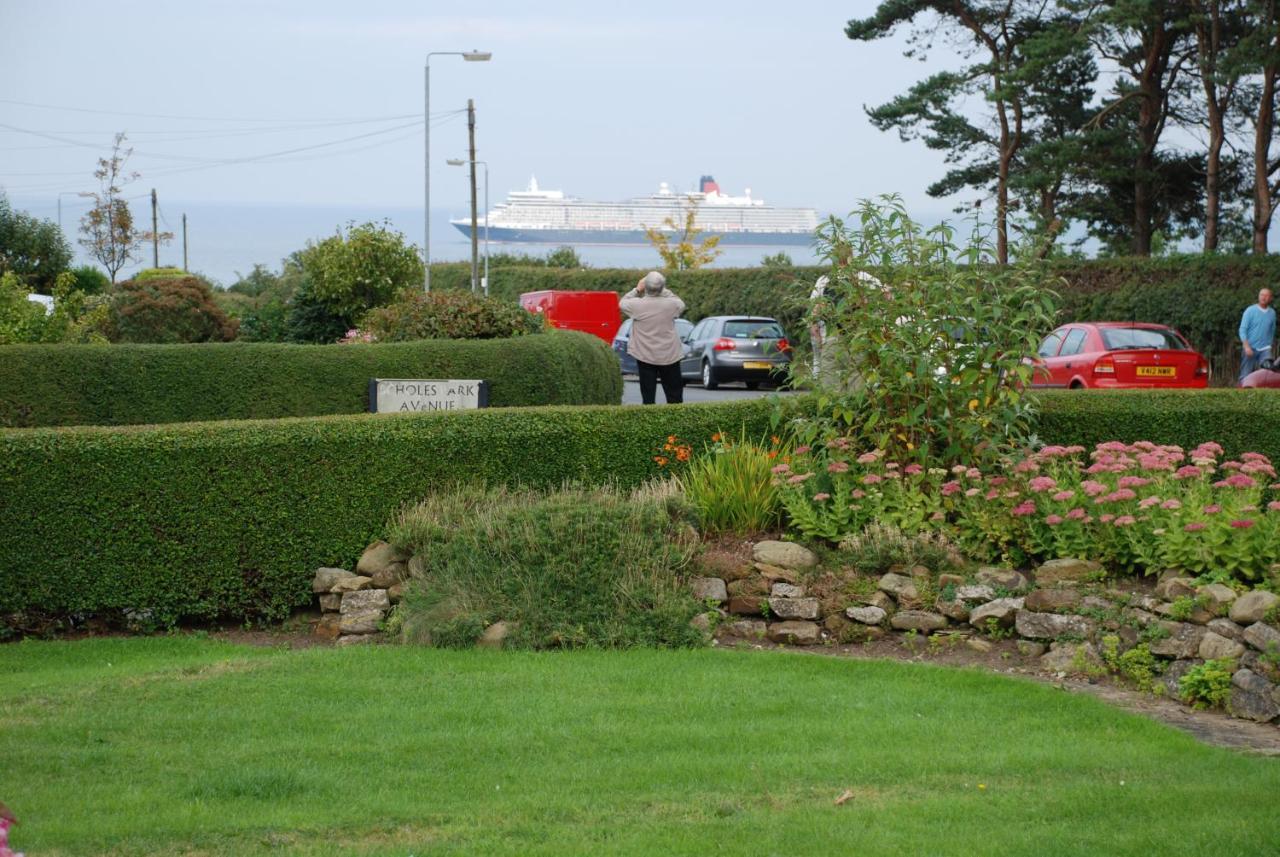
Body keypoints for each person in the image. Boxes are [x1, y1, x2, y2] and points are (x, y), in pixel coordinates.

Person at [620, 271, 685, 404]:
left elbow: (622, 302)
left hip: (645, 355)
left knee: (648, 397)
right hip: (669, 355)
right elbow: (680, 302)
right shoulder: (671, 304)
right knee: (675, 396)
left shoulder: (636, 305)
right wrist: (661, 288)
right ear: (662, 287)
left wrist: (638, 289)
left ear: (646, 287)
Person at [1238, 287, 1275, 384]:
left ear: (1270, 298)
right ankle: (1241, 393)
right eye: (1262, 295)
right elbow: (1242, 330)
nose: (1264, 297)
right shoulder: (1250, 311)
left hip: (1265, 349)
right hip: (1250, 347)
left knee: (1269, 370)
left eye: (1266, 295)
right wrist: (1246, 347)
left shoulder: (1272, 313)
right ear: (1259, 296)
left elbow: (1272, 330)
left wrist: (1269, 345)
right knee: (1245, 375)